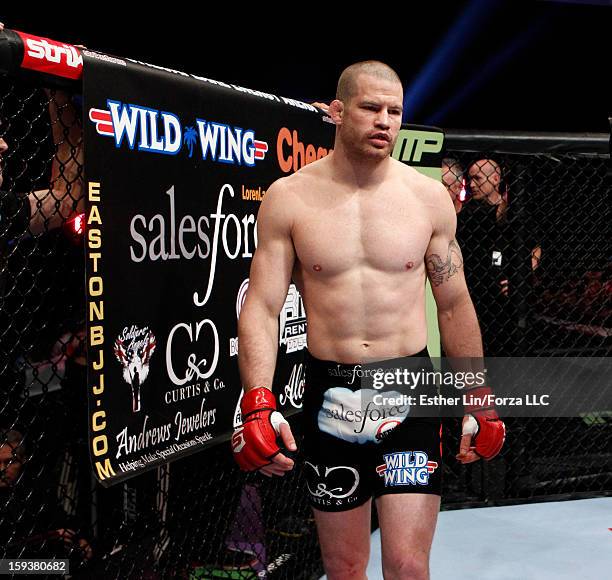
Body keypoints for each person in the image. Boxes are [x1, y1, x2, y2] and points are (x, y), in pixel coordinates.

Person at [232, 61, 505, 579]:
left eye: (395, 111)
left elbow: (454, 304)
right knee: (345, 565)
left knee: (406, 565)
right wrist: (257, 400)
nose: (385, 121)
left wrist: (478, 396)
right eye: (370, 108)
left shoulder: (427, 200)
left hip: (408, 388)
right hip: (329, 391)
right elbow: (263, 307)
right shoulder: (288, 198)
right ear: (337, 112)